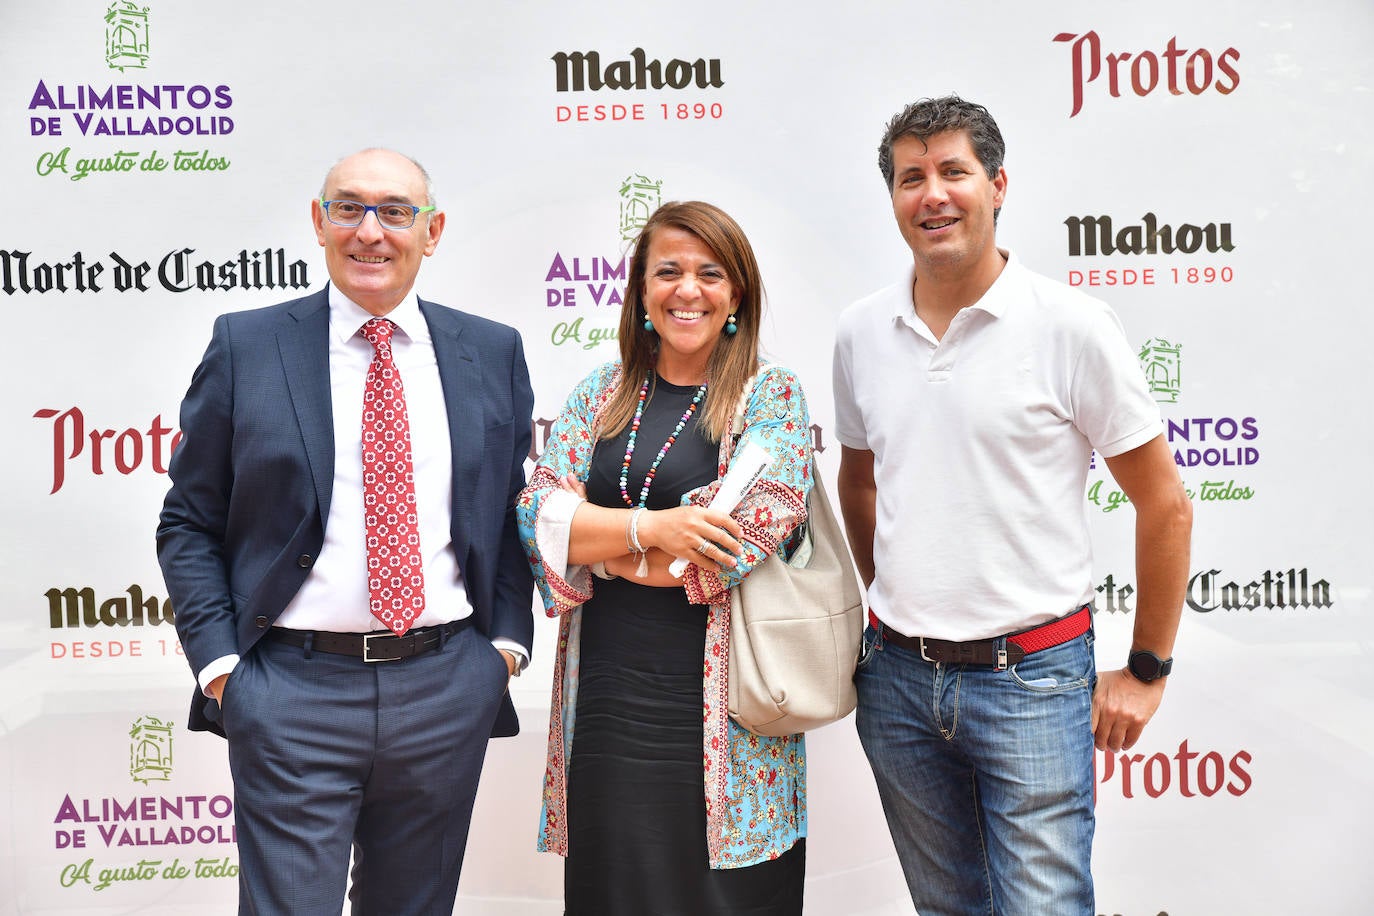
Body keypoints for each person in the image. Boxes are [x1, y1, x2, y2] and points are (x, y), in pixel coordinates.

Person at [833, 96, 1193, 915]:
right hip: (897, 683)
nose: (932, 194)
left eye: (953, 171)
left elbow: (1165, 505)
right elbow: (860, 481)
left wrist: (1147, 670)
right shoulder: (860, 332)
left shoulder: (1071, 326)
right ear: (892, 198)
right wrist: (894, 600)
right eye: (910, 177)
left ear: (997, 185)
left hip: (1033, 679)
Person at [156, 147, 535, 915]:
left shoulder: (489, 350)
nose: (371, 231)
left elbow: (505, 509)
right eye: (348, 207)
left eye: (395, 211)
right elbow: (189, 519)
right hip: (291, 692)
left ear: (431, 231)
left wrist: (502, 650)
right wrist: (224, 670)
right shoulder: (247, 345)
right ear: (318, 221)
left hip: (445, 686)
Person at [516, 201, 811, 914]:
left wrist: (603, 542)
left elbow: (727, 544)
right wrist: (650, 533)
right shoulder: (602, 394)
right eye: (668, 271)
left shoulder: (769, 396)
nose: (688, 289)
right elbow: (538, 518)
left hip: (727, 723)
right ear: (642, 291)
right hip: (609, 709)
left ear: (736, 293)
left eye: (710, 273)